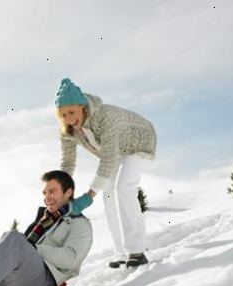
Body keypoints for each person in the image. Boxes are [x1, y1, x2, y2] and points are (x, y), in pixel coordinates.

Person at [54, 78, 157, 269]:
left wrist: (88, 196)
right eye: (64, 114)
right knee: (108, 192)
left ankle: (137, 251)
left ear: (83, 107)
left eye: (72, 112)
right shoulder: (68, 131)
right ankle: (120, 252)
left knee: (124, 187)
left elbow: (108, 160)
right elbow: (68, 163)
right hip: (117, 150)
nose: (69, 118)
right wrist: (60, 191)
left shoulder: (105, 116)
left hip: (139, 141)